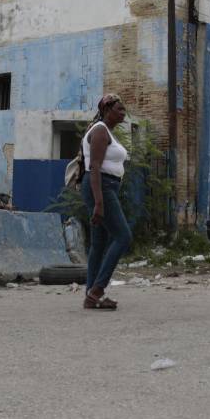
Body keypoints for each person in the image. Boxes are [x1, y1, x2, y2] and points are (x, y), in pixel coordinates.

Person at [80, 93, 132, 310]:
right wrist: (99, 202)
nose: (123, 112)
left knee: (99, 242)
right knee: (123, 236)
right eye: (119, 109)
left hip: (105, 187)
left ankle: (91, 296)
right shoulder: (100, 131)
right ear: (107, 110)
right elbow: (94, 168)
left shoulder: (107, 131)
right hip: (101, 187)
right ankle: (98, 290)